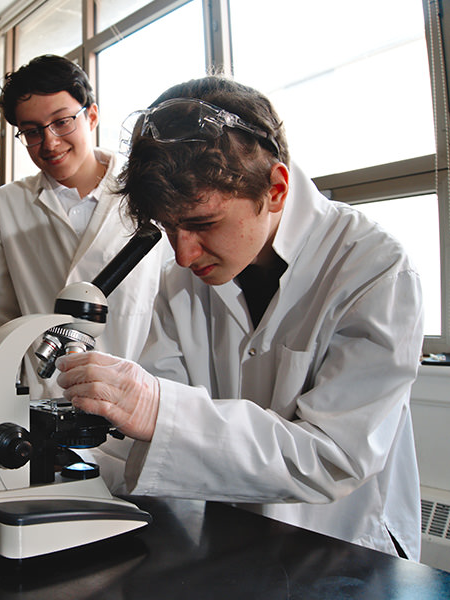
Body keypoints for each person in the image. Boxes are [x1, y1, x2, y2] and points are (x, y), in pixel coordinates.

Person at [52, 76, 424, 560]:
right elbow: (146, 436)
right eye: (169, 227)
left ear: (275, 188)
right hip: (236, 536)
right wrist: (49, 462)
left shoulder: (374, 267)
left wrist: (158, 408)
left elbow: (334, 457)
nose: (183, 255)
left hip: (347, 542)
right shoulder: (183, 279)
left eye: (203, 224)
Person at [0, 55, 168, 402]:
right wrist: (0, 404)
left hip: (140, 396)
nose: (50, 142)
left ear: (92, 115)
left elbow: (172, 304)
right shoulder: (6, 206)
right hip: (48, 401)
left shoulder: (149, 190)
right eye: (31, 132)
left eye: (62, 122)